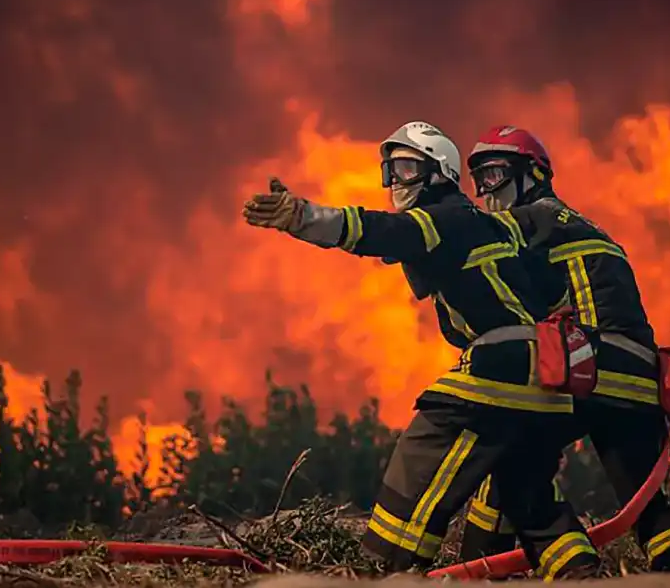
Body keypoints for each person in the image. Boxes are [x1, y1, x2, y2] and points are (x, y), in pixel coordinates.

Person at [241, 121, 601, 579]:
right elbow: (552, 293)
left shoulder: (443, 216)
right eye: (390, 170)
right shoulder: (491, 226)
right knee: (525, 492)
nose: (395, 182)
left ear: (439, 173)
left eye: (408, 168)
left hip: (502, 365)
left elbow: (376, 231)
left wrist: (300, 217)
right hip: (547, 381)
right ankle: (579, 570)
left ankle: (389, 568)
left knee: (420, 453)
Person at [459, 125, 670, 573]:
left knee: (510, 456)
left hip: (590, 370)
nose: (485, 191)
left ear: (533, 175)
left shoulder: (524, 222)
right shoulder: (583, 224)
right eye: (479, 181)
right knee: (642, 495)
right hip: (638, 376)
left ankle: (558, 560)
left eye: (495, 175)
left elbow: (474, 252)